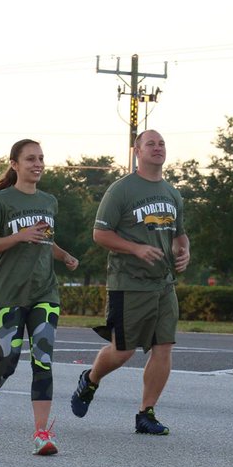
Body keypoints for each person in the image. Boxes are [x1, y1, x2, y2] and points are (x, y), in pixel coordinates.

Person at [69, 129, 189, 435]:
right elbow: (100, 234)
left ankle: (146, 413)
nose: (158, 147)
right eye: (151, 143)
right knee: (122, 351)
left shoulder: (172, 193)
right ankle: (91, 379)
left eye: (162, 143)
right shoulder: (121, 190)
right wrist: (135, 248)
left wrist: (184, 251)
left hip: (163, 284)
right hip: (129, 283)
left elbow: (179, 235)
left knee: (164, 347)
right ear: (137, 151)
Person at [0, 139, 79, 454]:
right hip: (7, 295)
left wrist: (64, 255)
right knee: (8, 362)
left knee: (43, 361)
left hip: (45, 292)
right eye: (30, 159)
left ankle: (42, 433)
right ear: (14, 164)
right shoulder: (0, 202)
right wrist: (18, 236)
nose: (37, 163)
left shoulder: (49, 201)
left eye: (41, 158)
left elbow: (44, 242)